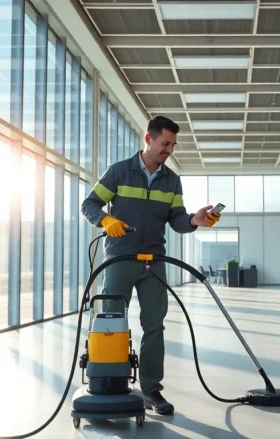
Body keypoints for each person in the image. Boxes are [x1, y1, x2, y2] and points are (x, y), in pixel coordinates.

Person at [81, 115, 220, 415]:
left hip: (154, 262)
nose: (169, 150)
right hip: (119, 259)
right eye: (164, 143)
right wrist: (106, 220)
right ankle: (109, 382)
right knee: (110, 322)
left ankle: (151, 391)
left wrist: (195, 220)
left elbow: (177, 219)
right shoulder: (119, 172)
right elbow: (89, 204)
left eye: (172, 145)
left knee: (154, 326)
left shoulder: (172, 180)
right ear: (148, 139)